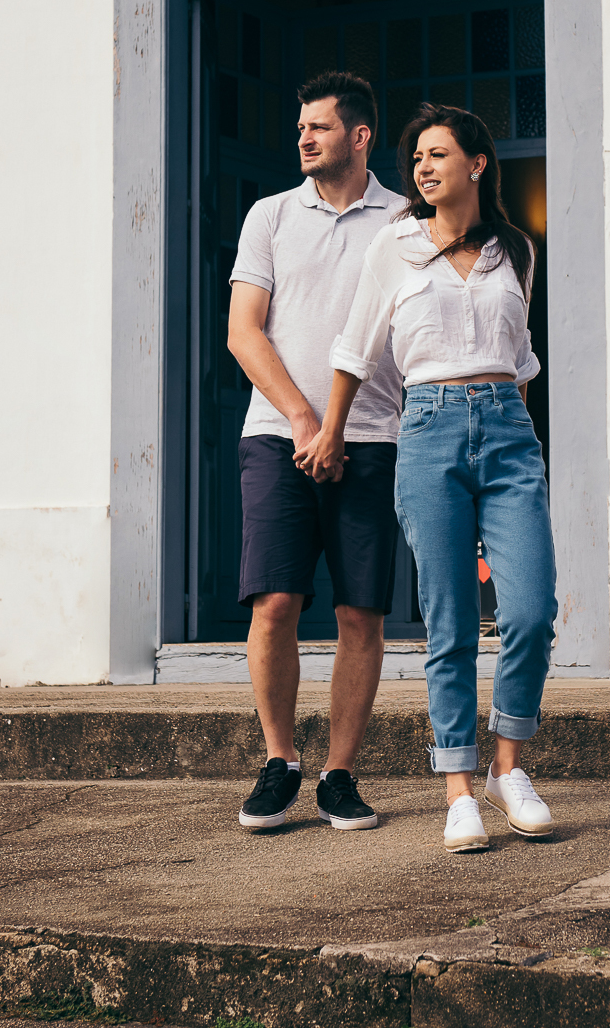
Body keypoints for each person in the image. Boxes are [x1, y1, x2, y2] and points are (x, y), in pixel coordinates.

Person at [298, 104, 557, 853]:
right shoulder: (394, 247)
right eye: (415, 157)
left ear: (476, 163)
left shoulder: (516, 251)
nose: (421, 166)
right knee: (448, 627)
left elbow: (522, 359)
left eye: (437, 153)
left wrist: (523, 436)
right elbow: (355, 346)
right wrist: (333, 430)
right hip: (428, 430)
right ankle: (457, 790)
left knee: (532, 612)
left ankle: (509, 768)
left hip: (508, 432)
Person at [226, 70, 407, 833]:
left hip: (371, 436)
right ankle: (279, 762)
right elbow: (243, 331)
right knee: (274, 603)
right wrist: (304, 421)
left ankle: (338, 773)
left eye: (320, 127)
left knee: (359, 614)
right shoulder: (269, 216)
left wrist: (339, 427)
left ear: (359, 136)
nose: (303, 137)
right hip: (276, 435)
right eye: (300, 127)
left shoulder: (404, 220)